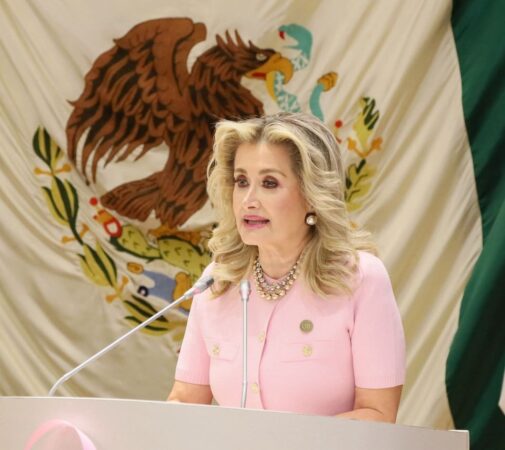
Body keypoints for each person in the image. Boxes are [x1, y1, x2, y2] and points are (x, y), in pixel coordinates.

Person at [168, 112, 405, 422]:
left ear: (312, 195)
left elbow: (377, 414)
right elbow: (185, 400)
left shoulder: (360, 279)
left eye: (269, 183)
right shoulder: (218, 280)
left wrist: (288, 442)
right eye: (241, 181)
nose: (248, 200)